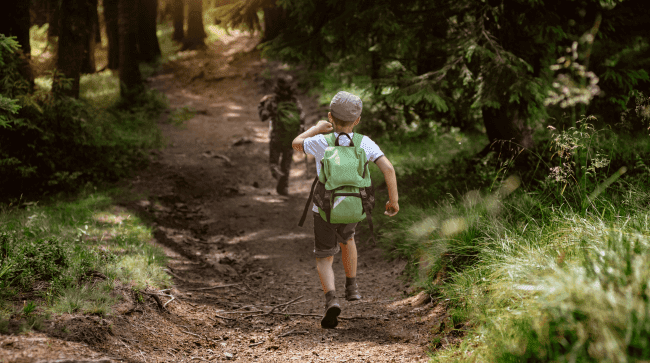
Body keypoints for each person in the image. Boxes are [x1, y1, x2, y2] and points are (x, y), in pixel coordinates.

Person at [292, 91, 400, 329]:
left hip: (324, 209)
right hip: (353, 207)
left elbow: (296, 144)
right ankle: (352, 286)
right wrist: (393, 201)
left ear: (331, 117)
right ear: (357, 120)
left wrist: (316, 128)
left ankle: (331, 299)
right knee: (348, 239)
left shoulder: (321, 141)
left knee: (324, 256)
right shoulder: (365, 143)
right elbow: (388, 169)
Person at [258, 75, 306, 195]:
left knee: (274, 161)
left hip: (276, 136)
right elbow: (302, 118)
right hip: (291, 137)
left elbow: (263, 117)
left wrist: (261, 105)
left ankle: (276, 171)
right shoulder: (294, 101)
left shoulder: (273, 101)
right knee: (286, 162)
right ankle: (283, 187)